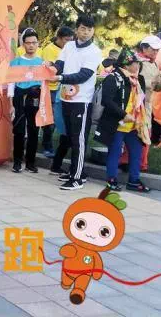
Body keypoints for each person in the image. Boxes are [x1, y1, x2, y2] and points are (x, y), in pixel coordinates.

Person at [47, 15, 103, 191]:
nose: (86, 32)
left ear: (93, 31)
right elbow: (60, 64)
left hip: (81, 101)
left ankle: (77, 178)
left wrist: (60, 77)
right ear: (77, 29)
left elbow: (84, 75)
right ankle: (77, 172)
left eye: (89, 29)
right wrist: (52, 68)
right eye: (83, 28)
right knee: (71, 137)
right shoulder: (69, 46)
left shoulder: (94, 51)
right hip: (65, 98)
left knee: (79, 139)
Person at [94, 49, 150, 193]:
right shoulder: (113, 78)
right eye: (135, 63)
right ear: (126, 64)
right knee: (115, 152)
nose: (138, 66)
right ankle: (111, 179)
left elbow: (141, 100)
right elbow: (107, 101)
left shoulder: (139, 79)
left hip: (134, 124)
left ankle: (134, 180)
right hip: (117, 123)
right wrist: (123, 114)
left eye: (138, 63)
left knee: (137, 152)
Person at [8, 30, 43, 173]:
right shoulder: (16, 62)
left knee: (34, 130)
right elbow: (11, 83)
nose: (31, 46)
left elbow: (44, 84)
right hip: (19, 97)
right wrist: (11, 104)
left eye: (34, 43)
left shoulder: (41, 63)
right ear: (23, 44)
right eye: (28, 43)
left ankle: (30, 163)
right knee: (19, 130)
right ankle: (17, 162)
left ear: (38, 44)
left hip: (35, 98)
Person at [40, 26, 75, 157]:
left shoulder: (69, 50)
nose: (69, 42)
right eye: (67, 40)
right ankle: (47, 147)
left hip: (63, 89)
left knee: (60, 119)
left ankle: (60, 146)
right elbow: (50, 70)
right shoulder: (49, 50)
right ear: (59, 38)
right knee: (50, 120)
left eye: (71, 40)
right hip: (50, 89)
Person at [137, 36, 161, 145]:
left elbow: (157, 88)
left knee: (145, 138)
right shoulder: (136, 62)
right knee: (135, 137)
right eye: (153, 49)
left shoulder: (154, 64)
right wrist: (151, 83)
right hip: (135, 106)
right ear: (144, 48)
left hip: (148, 107)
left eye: (157, 50)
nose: (156, 52)